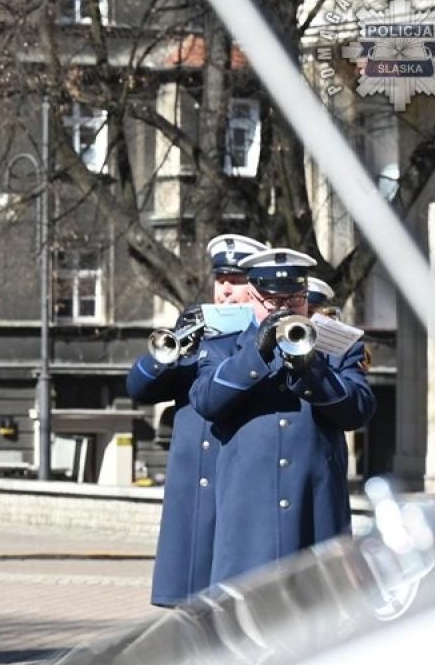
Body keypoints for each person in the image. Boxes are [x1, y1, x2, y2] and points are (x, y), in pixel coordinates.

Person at [190, 248, 375, 585]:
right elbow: (205, 401)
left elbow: (358, 411)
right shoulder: (224, 344)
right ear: (252, 296)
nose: (282, 310)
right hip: (247, 519)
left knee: (320, 619)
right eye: (271, 302)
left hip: (315, 514)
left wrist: (313, 371)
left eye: (293, 300)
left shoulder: (337, 345)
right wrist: (254, 355)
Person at [128, 233, 263, 607]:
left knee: (233, 600)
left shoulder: (262, 341)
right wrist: (174, 342)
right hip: (192, 485)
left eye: (236, 283)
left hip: (233, 479)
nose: (225, 292)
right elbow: (140, 387)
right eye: (221, 282)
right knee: (187, 602)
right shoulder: (200, 335)